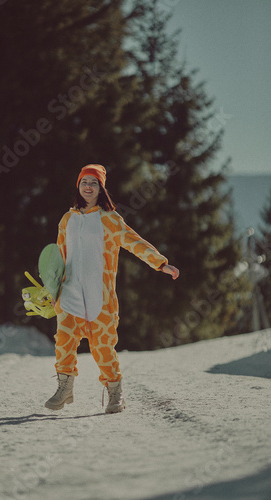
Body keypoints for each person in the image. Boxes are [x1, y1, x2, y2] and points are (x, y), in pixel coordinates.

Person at [45, 164, 179, 414]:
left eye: (93, 183)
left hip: (101, 295)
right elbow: (59, 256)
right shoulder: (67, 219)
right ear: (78, 185)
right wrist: (52, 289)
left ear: (101, 188)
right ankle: (65, 388)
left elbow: (133, 241)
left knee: (103, 346)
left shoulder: (110, 219)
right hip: (70, 292)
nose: (88, 186)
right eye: (84, 181)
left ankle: (116, 394)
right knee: (63, 341)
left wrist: (160, 263)